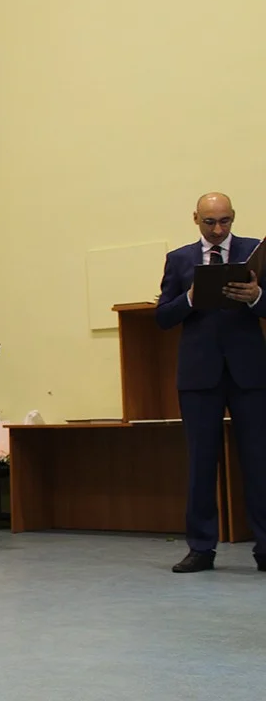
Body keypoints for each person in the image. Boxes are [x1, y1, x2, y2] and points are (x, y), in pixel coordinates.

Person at [155, 191, 266, 574]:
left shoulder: (255, 251)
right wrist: (189, 298)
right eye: (209, 222)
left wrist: (256, 296)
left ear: (233, 217)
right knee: (201, 464)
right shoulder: (179, 259)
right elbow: (163, 317)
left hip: (250, 373)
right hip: (199, 376)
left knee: (259, 462)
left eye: (225, 221)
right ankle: (201, 549)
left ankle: (265, 548)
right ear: (195, 219)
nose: (218, 230)